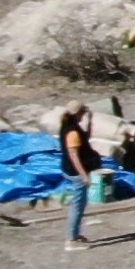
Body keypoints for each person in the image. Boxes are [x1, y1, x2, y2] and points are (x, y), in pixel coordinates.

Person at [55, 103, 102, 251]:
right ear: (78, 113)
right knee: (77, 206)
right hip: (76, 173)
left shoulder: (69, 127)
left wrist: (90, 122)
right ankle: (71, 240)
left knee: (79, 205)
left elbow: (84, 139)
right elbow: (74, 155)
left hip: (70, 169)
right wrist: (84, 176)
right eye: (82, 113)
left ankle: (75, 235)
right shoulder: (72, 132)